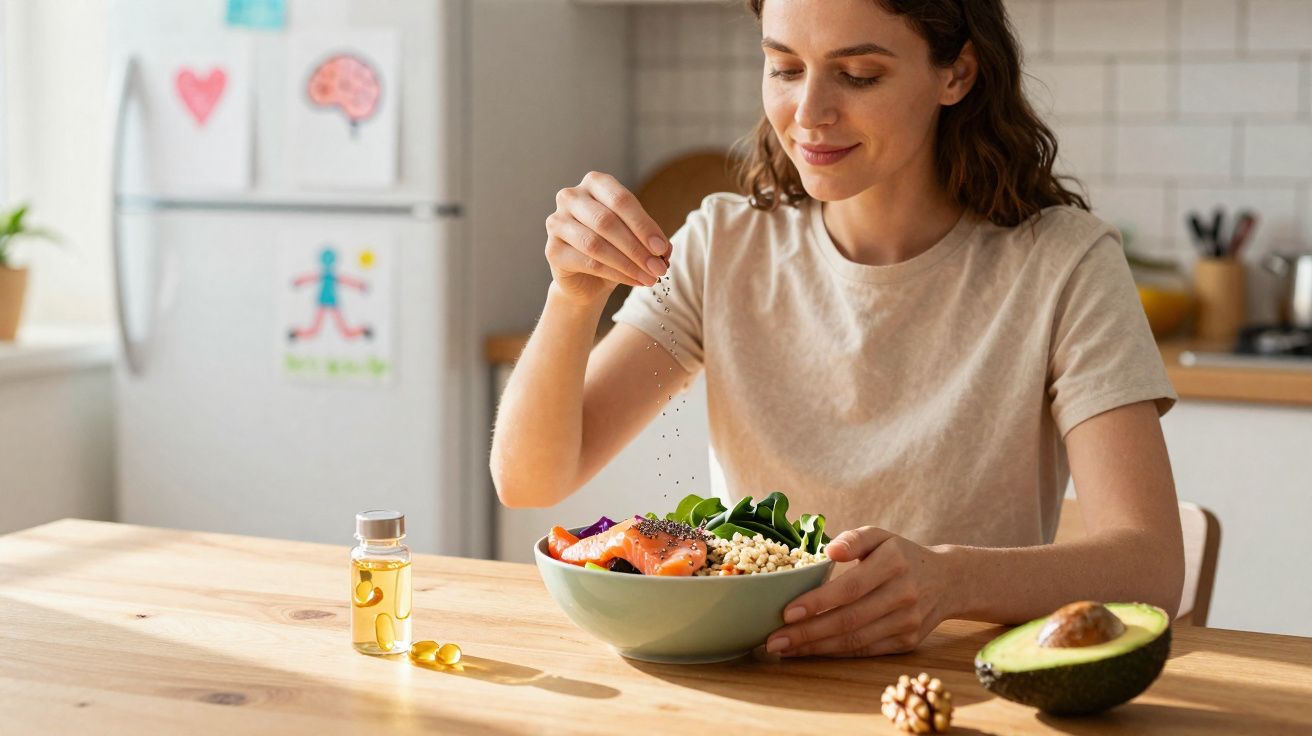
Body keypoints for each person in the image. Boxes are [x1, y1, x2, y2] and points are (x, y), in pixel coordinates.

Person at [491, 0, 1184, 658]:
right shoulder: (724, 248)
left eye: (859, 75)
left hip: (962, 689)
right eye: (785, 68)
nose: (809, 114)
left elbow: (1149, 566)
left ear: (957, 73)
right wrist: (572, 297)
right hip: (757, 683)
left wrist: (953, 583)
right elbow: (530, 479)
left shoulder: (1064, 264)